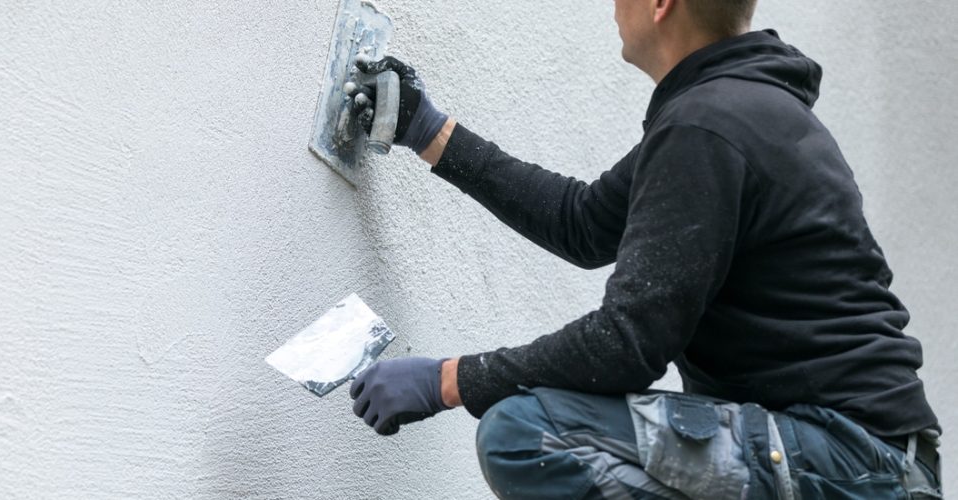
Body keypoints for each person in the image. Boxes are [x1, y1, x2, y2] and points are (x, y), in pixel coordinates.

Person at [343, 0, 943, 498]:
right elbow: (582, 223)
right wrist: (428, 130)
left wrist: (450, 380)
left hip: (851, 461)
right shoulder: (733, 111)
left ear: (661, 5)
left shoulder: (709, 126)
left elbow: (626, 344)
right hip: (864, 459)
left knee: (526, 435)